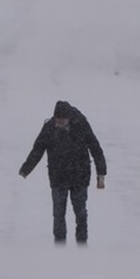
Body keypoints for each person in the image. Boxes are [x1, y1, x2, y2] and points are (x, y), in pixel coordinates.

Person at [19, 101, 107, 245]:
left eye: (62, 121)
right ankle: (60, 246)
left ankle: (82, 243)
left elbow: (95, 148)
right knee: (58, 214)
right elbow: (38, 149)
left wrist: (101, 173)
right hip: (58, 176)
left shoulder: (81, 125)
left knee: (80, 213)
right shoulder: (49, 127)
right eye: (57, 121)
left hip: (80, 176)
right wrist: (26, 169)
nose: (58, 124)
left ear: (69, 118)